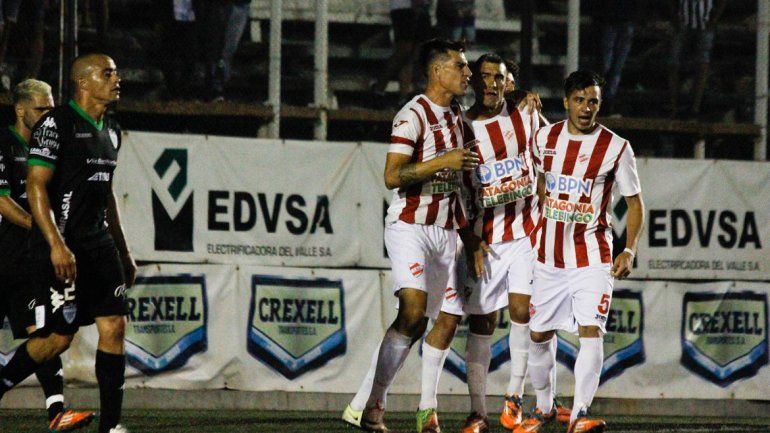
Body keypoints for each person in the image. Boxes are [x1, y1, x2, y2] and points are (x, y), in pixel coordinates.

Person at [349, 38, 488, 433]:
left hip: (447, 233)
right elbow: (393, 175)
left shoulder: (461, 120)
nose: (467, 73)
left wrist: (471, 238)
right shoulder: (412, 114)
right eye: (460, 66)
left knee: (432, 322)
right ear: (437, 71)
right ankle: (375, 403)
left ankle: (386, 408)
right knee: (412, 312)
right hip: (410, 225)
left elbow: (462, 187)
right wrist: (442, 161)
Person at [0, 54, 137, 433]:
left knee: (114, 325)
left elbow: (106, 194)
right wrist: (57, 245)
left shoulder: (112, 129)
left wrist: (123, 251)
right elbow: (35, 185)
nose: (116, 78)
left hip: (98, 243)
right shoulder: (56, 125)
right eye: (107, 73)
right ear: (83, 82)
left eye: (116, 71)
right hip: (59, 244)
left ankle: (111, 425)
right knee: (57, 338)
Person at [514, 70, 644, 433]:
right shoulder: (545, 139)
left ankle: (579, 414)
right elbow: (541, 182)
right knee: (538, 334)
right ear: (567, 101)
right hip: (549, 257)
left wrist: (629, 250)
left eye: (594, 102)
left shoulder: (617, 147)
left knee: (592, 330)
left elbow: (635, 205)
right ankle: (543, 409)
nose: (587, 108)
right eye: (580, 100)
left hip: (593, 255)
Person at [446, 53, 570, 433]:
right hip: (486, 238)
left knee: (524, 311)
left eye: (497, 78)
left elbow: (556, 149)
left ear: (508, 83)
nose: (490, 83)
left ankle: (514, 398)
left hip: (527, 232)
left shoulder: (527, 115)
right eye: (483, 76)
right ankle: (478, 413)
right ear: (475, 81)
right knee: (482, 322)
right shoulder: (461, 128)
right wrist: (469, 238)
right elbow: (455, 191)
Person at [0, 79, 96, 431]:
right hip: (4, 256)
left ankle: (56, 412)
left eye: (51, 109)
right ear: (20, 109)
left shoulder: (52, 148)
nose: (46, 116)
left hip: (28, 263)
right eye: (40, 109)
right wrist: (40, 226)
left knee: (43, 334)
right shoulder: (3, 143)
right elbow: (1, 198)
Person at [667, 0, 727, 118]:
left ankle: (695, 107)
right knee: (673, 63)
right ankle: (674, 105)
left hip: (704, 22)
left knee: (702, 63)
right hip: (684, 21)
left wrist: (713, 21)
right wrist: (675, 18)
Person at [371, 0, 433, 106]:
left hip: (422, 8)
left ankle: (403, 96)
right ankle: (379, 87)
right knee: (404, 50)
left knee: (414, 54)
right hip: (404, 8)